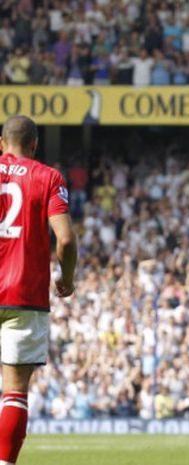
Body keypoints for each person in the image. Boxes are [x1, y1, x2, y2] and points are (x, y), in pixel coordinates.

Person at [0, 115, 77, 464]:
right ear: (34, 145)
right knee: (14, 391)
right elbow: (65, 238)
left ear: (2, 144)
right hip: (24, 295)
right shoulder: (48, 177)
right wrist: (67, 277)